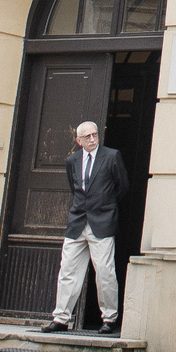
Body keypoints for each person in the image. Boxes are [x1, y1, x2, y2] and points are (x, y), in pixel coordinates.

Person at [44, 121, 129, 334]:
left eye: (94, 135)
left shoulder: (111, 156)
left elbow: (122, 186)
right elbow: (75, 188)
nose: (92, 139)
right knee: (68, 270)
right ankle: (61, 318)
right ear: (78, 140)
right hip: (77, 222)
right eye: (87, 137)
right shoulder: (72, 161)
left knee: (105, 272)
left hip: (102, 222)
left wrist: (106, 206)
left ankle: (109, 318)